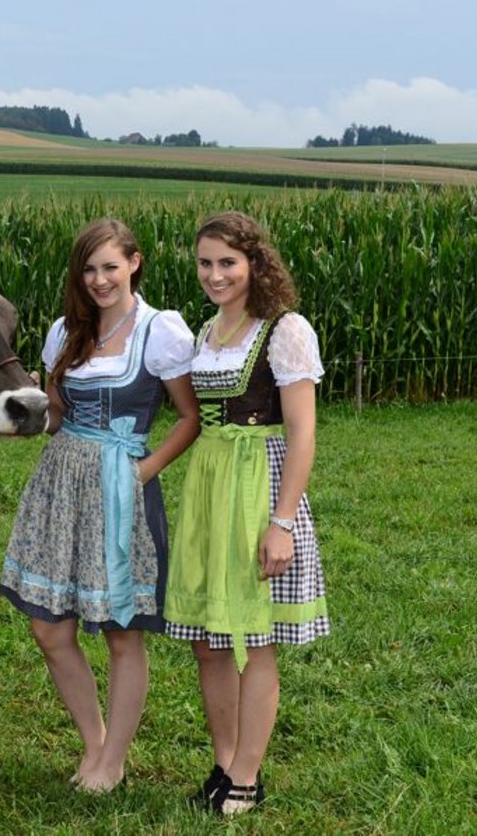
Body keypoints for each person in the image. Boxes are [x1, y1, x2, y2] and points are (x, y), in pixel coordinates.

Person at [0, 219, 199, 792]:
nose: (99, 279)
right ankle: (94, 742)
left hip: (120, 486)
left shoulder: (161, 331)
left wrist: (142, 472)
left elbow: (190, 417)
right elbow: (57, 414)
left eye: (110, 266)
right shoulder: (66, 331)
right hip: (61, 481)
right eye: (89, 269)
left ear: (135, 262)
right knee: (48, 626)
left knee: (120, 629)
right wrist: (27, 417)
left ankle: (113, 761)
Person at [164, 211, 329, 815]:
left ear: (254, 263)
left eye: (227, 262)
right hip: (210, 487)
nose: (215, 275)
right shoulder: (208, 331)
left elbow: (304, 433)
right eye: (205, 263)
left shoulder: (285, 329)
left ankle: (249, 775)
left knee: (255, 639)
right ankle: (225, 761)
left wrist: (281, 522)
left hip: (259, 484)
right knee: (209, 640)